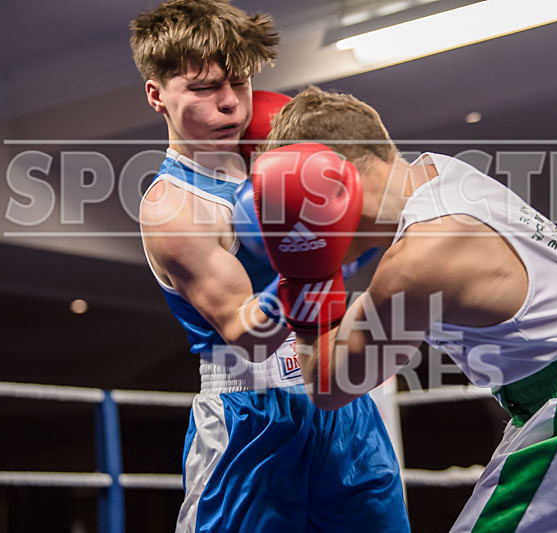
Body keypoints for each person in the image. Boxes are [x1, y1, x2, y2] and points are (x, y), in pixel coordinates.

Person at [251, 86, 557, 532]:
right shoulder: (443, 175)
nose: (291, 221)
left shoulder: (418, 259)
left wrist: (305, 277)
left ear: (329, 184)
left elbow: (330, 386)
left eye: (290, 206)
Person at [129, 3, 409, 532]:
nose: (230, 103)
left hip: (339, 400)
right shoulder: (173, 207)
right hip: (250, 420)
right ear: (157, 95)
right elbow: (247, 335)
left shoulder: (276, 157)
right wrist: (311, 253)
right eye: (206, 88)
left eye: (239, 82)